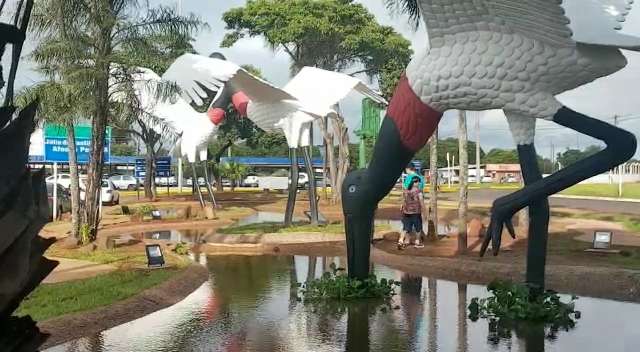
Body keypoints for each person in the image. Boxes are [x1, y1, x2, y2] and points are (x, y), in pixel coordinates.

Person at [398, 176, 426, 249]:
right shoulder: (418, 192)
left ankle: (400, 241)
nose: (419, 183)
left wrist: (402, 208)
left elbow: (403, 201)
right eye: (418, 182)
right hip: (416, 213)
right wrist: (424, 212)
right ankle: (417, 242)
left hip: (406, 212)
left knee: (405, 228)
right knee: (418, 228)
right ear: (416, 182)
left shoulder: (406, 191)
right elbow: (422, 202)